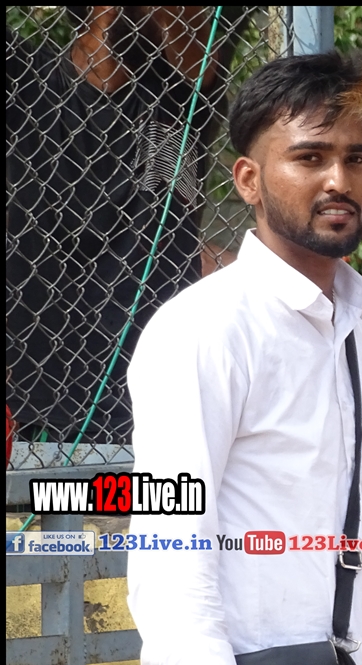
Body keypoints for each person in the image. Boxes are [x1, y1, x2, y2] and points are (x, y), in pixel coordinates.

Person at [125, 52, 362, 665]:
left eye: (356, 158)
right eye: (310, 157)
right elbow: (171, 548)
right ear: (249, 180)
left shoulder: (360, 332)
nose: (339, 181)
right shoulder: (206, 329)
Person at [5, 6, 246, 448]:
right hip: (26, 416)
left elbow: (197, 38)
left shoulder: (180, 101)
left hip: (151, 416)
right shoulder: (24, 82)